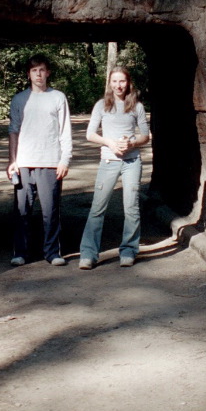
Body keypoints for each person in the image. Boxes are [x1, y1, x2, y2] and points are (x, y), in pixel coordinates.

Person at [79, 66, 150, 269]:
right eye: (115, 81)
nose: (119, 85)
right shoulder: (101, 105)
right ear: (110, 83)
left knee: (131, 207)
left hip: (131, 162)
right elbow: (90, 134)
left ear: (128, 83)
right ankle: (89, 254)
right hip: (109, 161)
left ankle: (128, 250)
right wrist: (109, 143)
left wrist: (132, 143)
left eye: (122, 81)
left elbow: (145, 135)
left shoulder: (137, 106)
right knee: (98, 207)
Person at [6, 53, 72, 267]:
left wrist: (65, 160)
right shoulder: (19, 99)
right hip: (24, 162)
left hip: (50, 161)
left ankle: (52, 252)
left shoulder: (58, 97)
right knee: (22, 210)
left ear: (48, 73)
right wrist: (12, 160)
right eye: (34, 70)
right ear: (28, 74)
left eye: (42, 70)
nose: (38, 74)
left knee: (50, 211)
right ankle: (21, 252)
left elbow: (65, 131)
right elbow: (13, 130)